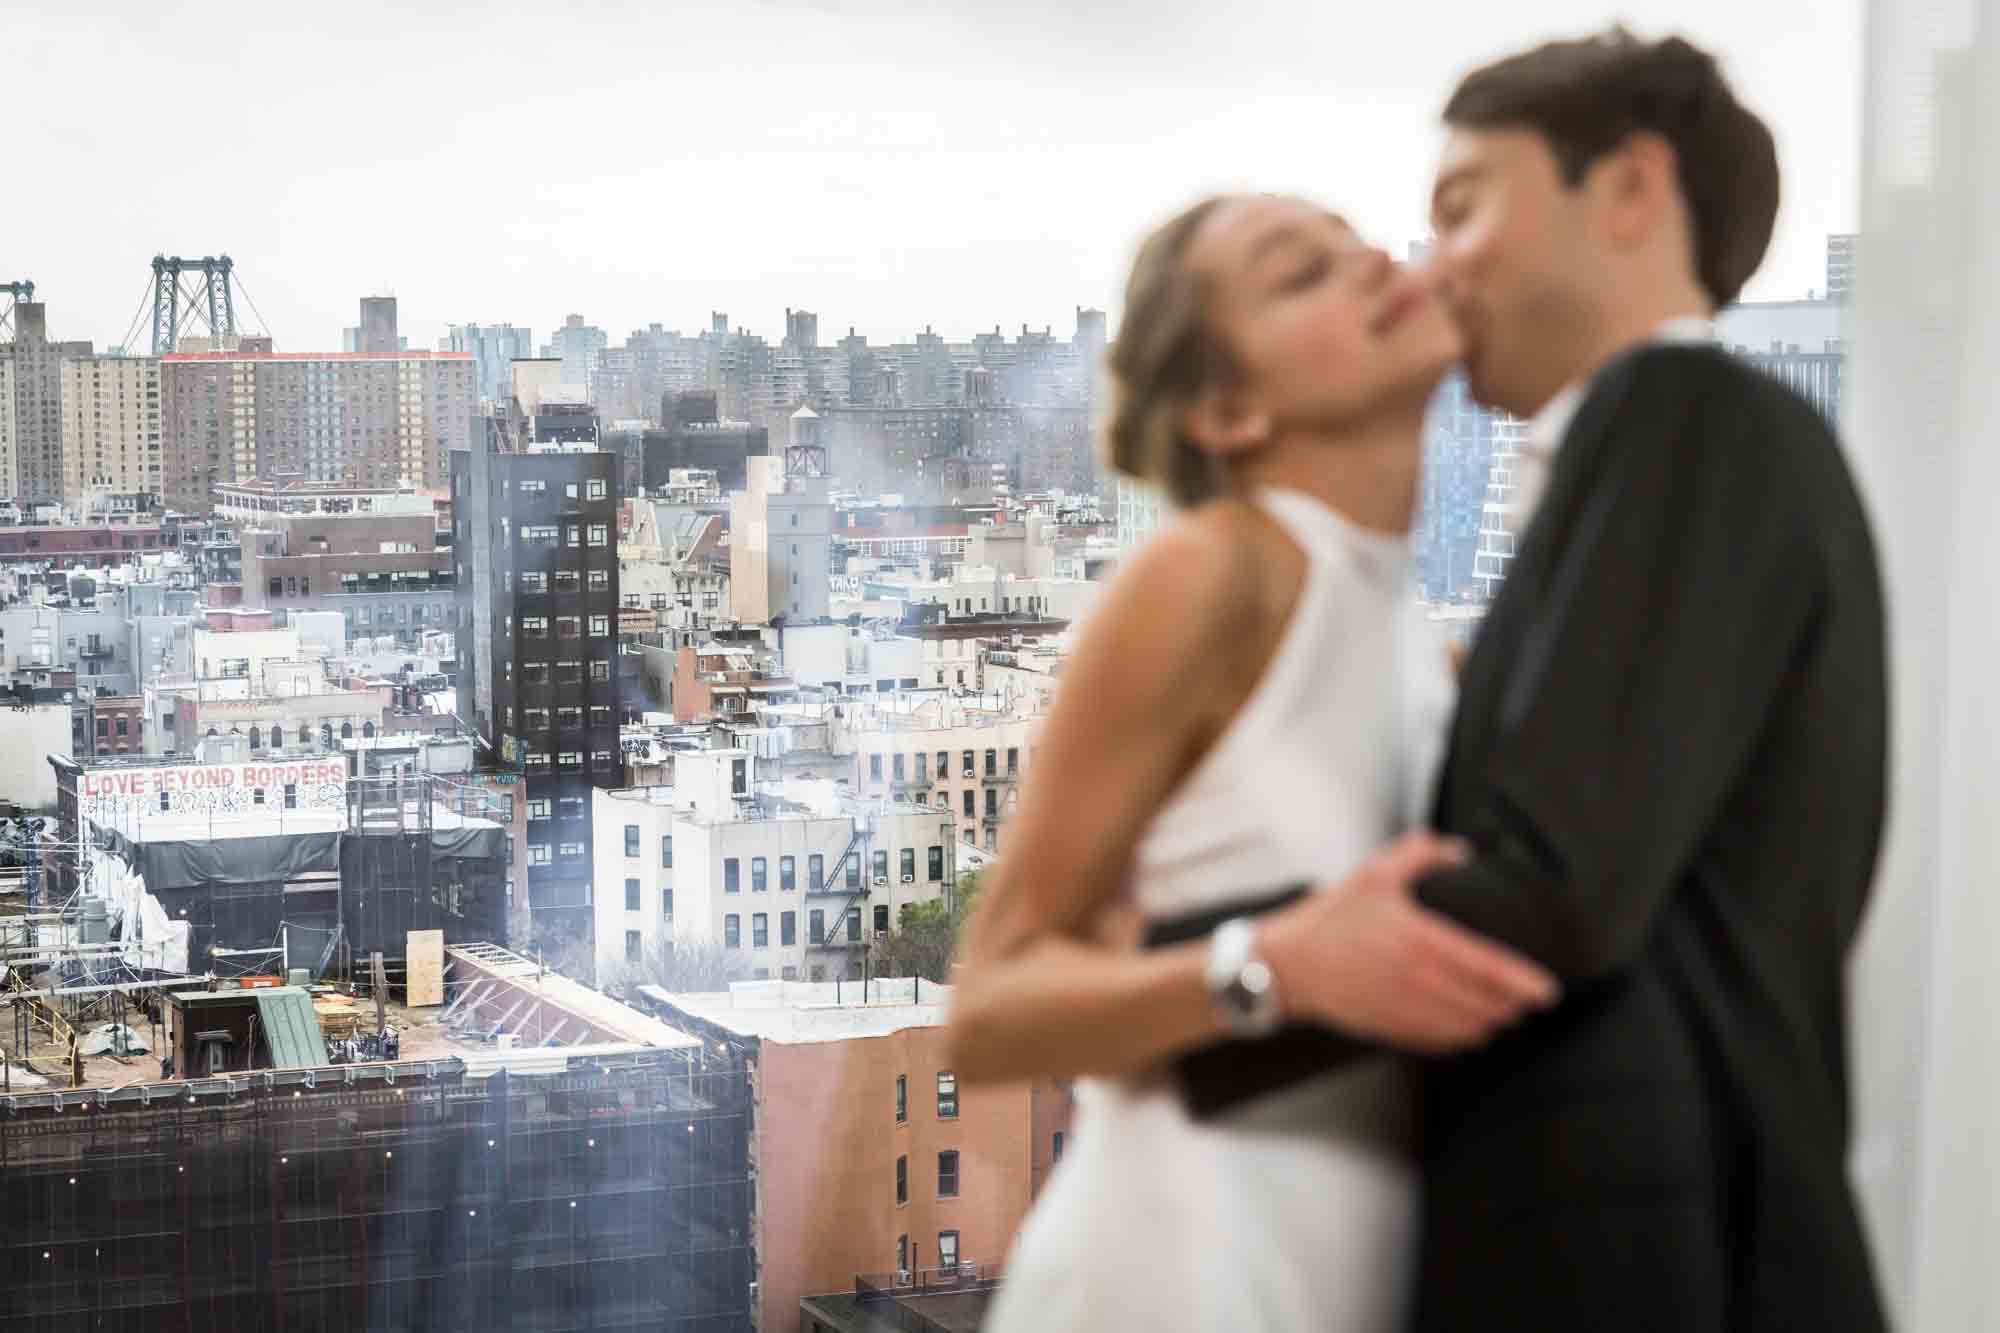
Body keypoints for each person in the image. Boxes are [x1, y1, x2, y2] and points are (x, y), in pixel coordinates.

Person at [1163, 30, 1890, 1332]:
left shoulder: (1685, 420)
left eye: (1464, 205)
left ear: (1628, 190)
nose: (1431, 264)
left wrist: (1201, 984)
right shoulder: (1647, 463)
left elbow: (1559, 883)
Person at [947, 195, 1559, 1332]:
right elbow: (990, 1010)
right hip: (1173, 1275)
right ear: (1226, 410)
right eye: (1302, 271)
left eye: (1354, 238)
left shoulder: (1421, 644)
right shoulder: (1211, 574)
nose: (1374, 259)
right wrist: (1273, 963)